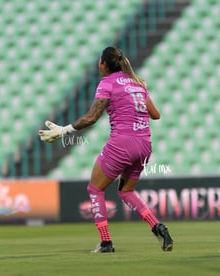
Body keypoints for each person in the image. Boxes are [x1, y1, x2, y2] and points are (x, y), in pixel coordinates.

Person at [38, 47, 173, 253]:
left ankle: (106, 242)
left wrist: (64, 131)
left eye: (99, 61)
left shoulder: (107, 84)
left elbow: (91, 117)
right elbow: (156, 114)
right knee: (126, 191)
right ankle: (158, 226)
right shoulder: (136, 83)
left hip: (122, 144)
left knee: (95, 189)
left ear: (103, 64)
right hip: (144, 145)